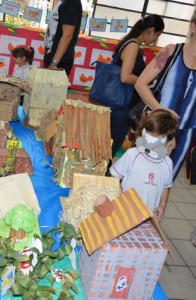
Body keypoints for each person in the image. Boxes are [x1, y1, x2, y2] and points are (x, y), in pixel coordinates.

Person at [135, 9, 196, 246]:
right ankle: (126, 221)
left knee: (165, 181)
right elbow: (141, 83)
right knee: (140, 175)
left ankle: (151, 229)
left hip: (187, 132)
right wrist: (161, 110)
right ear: (192, 26)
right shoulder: (171, 52)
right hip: (156, 128)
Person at [109, 15, 164, 158]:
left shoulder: (131, 43)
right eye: (157, 35)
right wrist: (143, 80)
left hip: (121, 102)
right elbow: (125, 77)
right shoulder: (133, 45)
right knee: (115, 139)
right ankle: (104, 174)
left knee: (114, 138)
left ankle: (104, 172)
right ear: (150, 30)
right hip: (120, 104)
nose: (154, 40)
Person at [109, 109, 178, 221]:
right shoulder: (132, 155)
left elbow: (166, 187)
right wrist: (118, 196)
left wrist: (162, 206)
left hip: (148, 216)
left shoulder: (167, 163)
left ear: (169, 143)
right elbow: (113, 178)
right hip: (124, 212)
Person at [43, 0, 82, 75]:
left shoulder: (71, 2)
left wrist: (54, 63)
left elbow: (67, 35)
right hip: (53, 58)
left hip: (59, 62)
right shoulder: (63, 2)